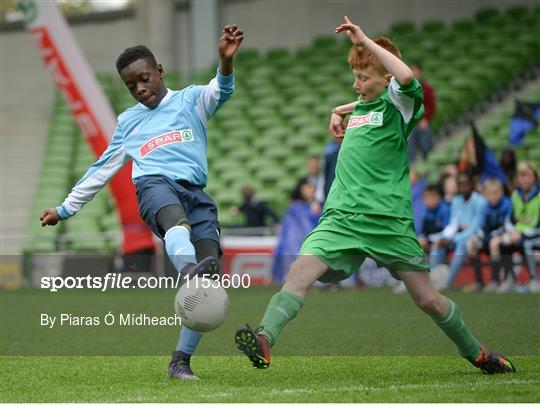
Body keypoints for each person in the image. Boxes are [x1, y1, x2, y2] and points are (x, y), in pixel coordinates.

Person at [234, 17, 515, 375]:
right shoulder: (362, 108)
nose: (356, 84)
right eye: (355, 77)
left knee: (428, 299)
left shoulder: (401, 108)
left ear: (386, 79)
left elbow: (407, 80)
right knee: (299, 272)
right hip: (342, 218)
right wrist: (340, 109)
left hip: (387, 221)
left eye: (364, 78)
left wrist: (365, 39)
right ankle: (264, 339)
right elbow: (364, 103)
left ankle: (478, 353)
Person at [40, 25, 245, 380]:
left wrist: (225, 62)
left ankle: (180, 361)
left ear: (160, 72)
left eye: (144, 79)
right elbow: (102, 169)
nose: (139, 89)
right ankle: (186, 272)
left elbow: (221, 90)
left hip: (196, 194)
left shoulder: (191, 100)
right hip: (154, 187)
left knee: (209, 284)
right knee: (177, 227)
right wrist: (64, 209)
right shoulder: (129, 121)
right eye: (130, 85)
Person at [488, 161, 540, 294]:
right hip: (518, 233)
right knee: (504, 243)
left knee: (526, 243)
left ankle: (534, 279)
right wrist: (511, 232)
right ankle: (510, 279)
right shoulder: (516, 195)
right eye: (522, 176)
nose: (526, 179)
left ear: (535, 177)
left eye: (529, 176)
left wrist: (522, 233)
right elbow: (509, 219)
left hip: (534, 234)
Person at [429, 173, 487, 290]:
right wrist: (445, 238)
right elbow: (454, 224)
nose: (463, 187)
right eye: (460, 184)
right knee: (438, 244)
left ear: (472, 184)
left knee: (462, 244)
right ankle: (431, 281)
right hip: (459, 235)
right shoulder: (457, 200)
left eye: (466, 184)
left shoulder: (481, 201)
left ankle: (446, 282)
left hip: (478, 236)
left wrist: (452, 240)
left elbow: (475, 228)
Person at [464, 178, 512, 293]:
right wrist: (478, 237)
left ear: (502, 192)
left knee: (494, 243)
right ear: (485, 194)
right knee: (470, 243)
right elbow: (482, 226)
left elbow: (507, 225)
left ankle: (495, 281)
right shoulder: (485, 207)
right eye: (489, 193)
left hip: (504, 235)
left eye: (496, 193)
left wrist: (493, 235)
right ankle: (479, 282)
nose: (493, 196)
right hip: (489, 236)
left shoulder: (507, 204)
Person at [271, 182, 321, 283]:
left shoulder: (318, 205)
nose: (306, 191)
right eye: (304, 189)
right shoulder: (295, 208)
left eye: (308, 188)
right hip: (298, 242)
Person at [407, 61, 436, 162]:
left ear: (420, 72)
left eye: (416, 70)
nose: (414, 73)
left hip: (422, 122)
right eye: (412, 70)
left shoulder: (427, 89)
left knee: (426, 149)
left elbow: (432, 107)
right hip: (410, 123)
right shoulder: (405, 90)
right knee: (409, 151)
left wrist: (424, 119)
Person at [417, 185, 451, 253]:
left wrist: (435, 241)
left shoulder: (445, 210)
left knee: (436, 248)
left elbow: (448, 232)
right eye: (425, 198)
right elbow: (422, 231)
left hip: (443, 241)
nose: (427, 201)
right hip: (430, 239)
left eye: (431, 198)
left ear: (438, 197)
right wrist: (422, 238)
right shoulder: (424, 211)